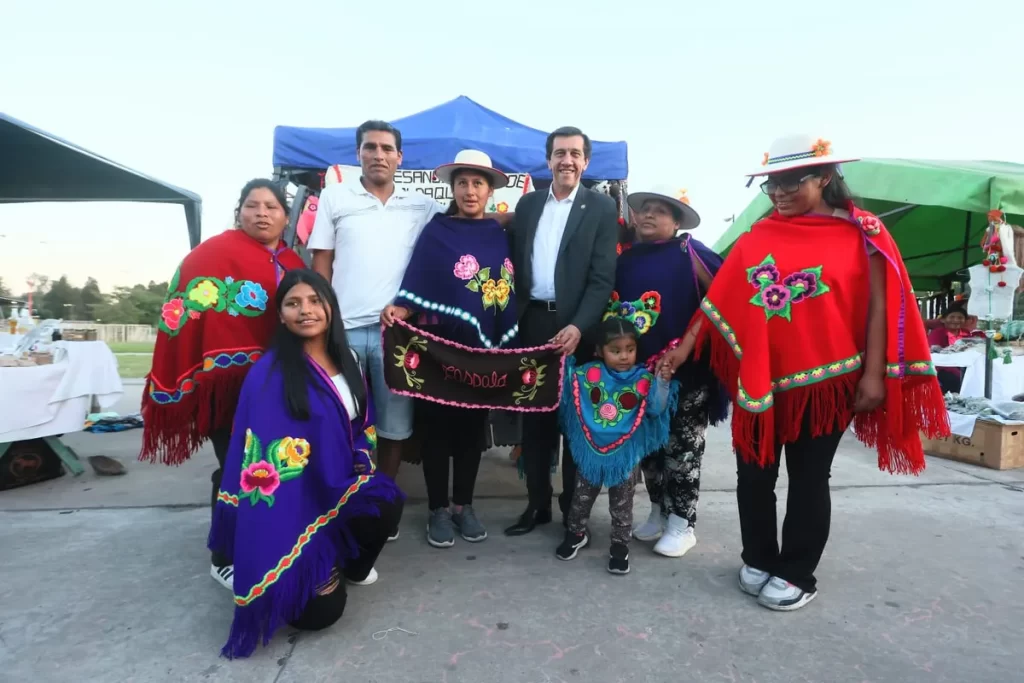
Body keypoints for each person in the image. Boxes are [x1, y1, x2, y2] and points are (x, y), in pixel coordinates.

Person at [662, 134, 948, 611]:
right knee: (753, 473)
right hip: (761, 380)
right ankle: (757, 555)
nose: (779, 193)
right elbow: (719, 301)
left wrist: (874, 375)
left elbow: (880, 309)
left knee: (809, 477)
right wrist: (684, 348)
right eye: (771, 183)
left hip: (829, 384)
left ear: (826, 177)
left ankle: (797, 571)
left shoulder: (864, 234)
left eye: (792, 181)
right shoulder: (758, 236)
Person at [208, 269, 404, 659]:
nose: (306, 310)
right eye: (293, 303)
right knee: (320, 615)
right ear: (280, 314)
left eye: (315, 301)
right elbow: (262, 462)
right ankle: (311, 554)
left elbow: (361, 422)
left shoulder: (347, 357)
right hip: (295, 499)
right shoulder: (270, 373)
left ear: (330, 307)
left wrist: (359, 463)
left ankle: (351, 565)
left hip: (336, 481)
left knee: (386, 500)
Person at [139, 179, 306, 592]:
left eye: (271, 206)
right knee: (236, 468)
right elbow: (182, 312)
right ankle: (224, 556)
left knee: (276, 468)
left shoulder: (292, 262)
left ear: (286, 217)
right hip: (227, 390)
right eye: (253, 205)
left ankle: (265, 541)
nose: (262, 213)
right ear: (239, 212)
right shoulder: (210, 255)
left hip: (279, 387)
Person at [307, 120, 442, 528]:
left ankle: (380, 505)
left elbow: (462, 222)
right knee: (340, 420)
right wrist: (319, 327)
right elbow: (321, 265)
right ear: (358, 154)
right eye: (370, 147)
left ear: (400, 157)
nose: (378, 155)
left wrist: (514, 221)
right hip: (342, 331)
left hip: (396, 335)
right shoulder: (334, 197)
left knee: (393, 424)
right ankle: (342, 500)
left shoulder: (421, 205)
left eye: (387, 148)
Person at [380, 150, 517, 548]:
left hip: (480, 350)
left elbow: (505, 285)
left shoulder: (498, 233)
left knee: (472, 432)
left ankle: (464, 506)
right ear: (452, 187)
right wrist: (400, 307)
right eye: (462, 183)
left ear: (490, 190)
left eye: (478, 183)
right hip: (438, 349)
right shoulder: (436, 231)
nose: (469, 191)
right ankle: (438, 509)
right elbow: (420, 281)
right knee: (437, 431)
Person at [504, 126, 620, 536]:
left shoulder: (602, 209)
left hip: (577, 328)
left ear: (586, 162)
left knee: (575, 426)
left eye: (574, 154)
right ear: (548, 160)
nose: (566, 161)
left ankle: (575, 512)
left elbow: (602, 279)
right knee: (534, 425)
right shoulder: (529, 205)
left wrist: (578, 326)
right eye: (559, 153)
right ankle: (537, 506)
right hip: (532, 324)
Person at [604, 185, 728, 559]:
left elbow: (722, 299)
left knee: (683, 448)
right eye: (644, 209)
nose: (648, 216)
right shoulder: (624, 259)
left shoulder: (689, 252)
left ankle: (682, 523)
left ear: (676, 222)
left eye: (660, 211)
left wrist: (688, 343)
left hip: (685, 371)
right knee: (651, 450)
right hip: (639, 373)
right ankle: (658, 512)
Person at [557, 318, 677, 574]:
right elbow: (567, 389)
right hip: (590, 451)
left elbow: (656, 408)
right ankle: (576, 533)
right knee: (580, 498)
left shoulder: (644, 378)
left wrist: (663, 382)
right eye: (615, 350)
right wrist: (564, 361)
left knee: (622, 504)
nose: (624, 356)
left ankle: (620, 546)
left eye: (629, 349)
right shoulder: (588, 374)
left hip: (624, 456)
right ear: (600, 351)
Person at [928, 304, 971, 394]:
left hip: (964, 366)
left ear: (965, 321)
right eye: (952, 317)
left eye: (960, 318)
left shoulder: (967, 334)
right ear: (943, 320)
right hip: (943, 367)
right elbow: (935, 352)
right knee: (956, 379)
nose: (956, 320)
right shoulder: (937, 333)